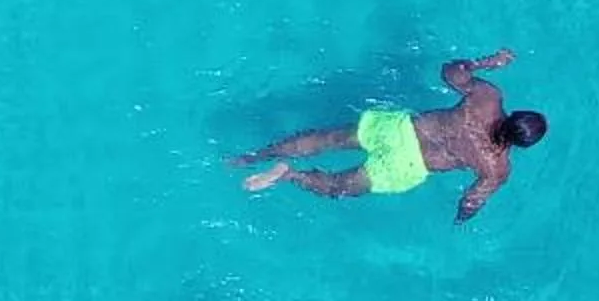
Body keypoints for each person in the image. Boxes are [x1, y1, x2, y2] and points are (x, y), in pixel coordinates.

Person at [232, 49, 546, 221]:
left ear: (516, 113)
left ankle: (255, 156)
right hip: (406, 167)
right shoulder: (498, 168)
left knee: (328, 139)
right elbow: (470, 201)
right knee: (336, 187)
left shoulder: (488, 98)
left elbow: (451, 72)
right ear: (523, 144)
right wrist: (462, 219)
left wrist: (486, 62)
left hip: (401, 129)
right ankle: (289, 176)